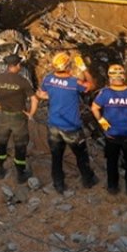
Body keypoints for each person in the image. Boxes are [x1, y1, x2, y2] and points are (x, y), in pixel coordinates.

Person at [38, 51, 97, 194]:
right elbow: (92, 85)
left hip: (53, 126)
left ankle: (58, 184)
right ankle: (88, 180)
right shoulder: (74, 83)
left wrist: (53, 96)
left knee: (56, 156)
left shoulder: (48, 79)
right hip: (71, 128)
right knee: (81, 155)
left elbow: (40, 93)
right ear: (68, 66)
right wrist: (84, 69)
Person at [0, 54, 38, 184]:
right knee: (20, 146)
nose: (20, 67)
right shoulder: (22, 81)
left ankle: (0, 170)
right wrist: (31, 114)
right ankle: (20, 174)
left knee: (1, 143)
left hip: (3, 116)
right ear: (17, 65)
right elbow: (34, 99)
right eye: (20, 65)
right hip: (18, 118)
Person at [90, 64, 127, 196]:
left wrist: (102, 121)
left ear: (110, 78)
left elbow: (94, 108)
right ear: (124, 77)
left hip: (111, 135)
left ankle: (112, 186)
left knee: (112, 161)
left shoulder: (105, 93)